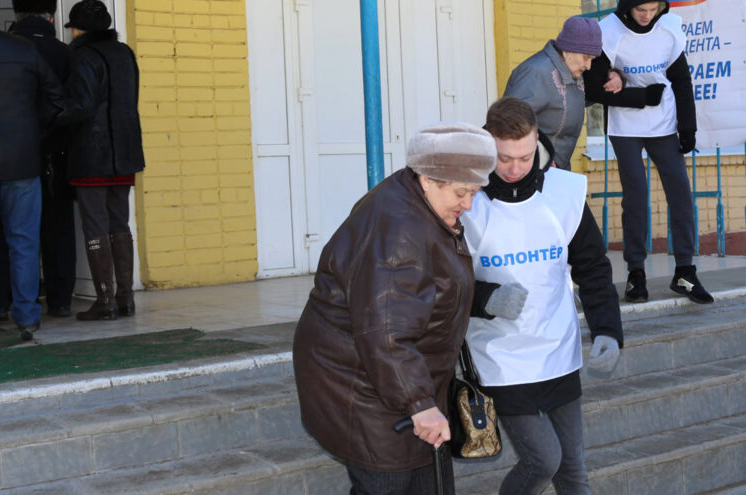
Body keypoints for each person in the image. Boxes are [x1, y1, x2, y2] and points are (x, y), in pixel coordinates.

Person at [293, 123, 497, 495]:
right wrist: (418, 404)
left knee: (425, 481)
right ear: (427, 179)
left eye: (475, 192)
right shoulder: (400, 231)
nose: (468, 204)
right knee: (389, 483)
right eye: (461, 192)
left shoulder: (420, 205)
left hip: (399, 381)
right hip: (366, 387)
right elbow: (386, 333)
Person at [461, 97, 624, 495]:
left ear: (538, 141)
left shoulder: (563, 193)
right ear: (487, 148)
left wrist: (607, 330)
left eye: (524, 156)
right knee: (543, 460)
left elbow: (592, 267)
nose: (515, 168)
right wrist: (484, 298)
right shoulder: (466, 200)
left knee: (573, 471)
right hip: (499, 356)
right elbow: (440, 280)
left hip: (557, 348)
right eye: (503, 159)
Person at [584, 0, 713, 304]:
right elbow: (592, 90)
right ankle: (636, 273)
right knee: (637, 197)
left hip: (665, 125)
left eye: (653, 9)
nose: (646, 15)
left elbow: (682, 81)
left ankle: (685, 271)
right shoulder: (609, 32)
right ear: (628, 7)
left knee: (680, 192)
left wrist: (688, 128)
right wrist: (640, 95)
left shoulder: (669, 30)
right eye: (641, 9)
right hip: (626, 127)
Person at [0, 0, 67, 340]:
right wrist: (31, 130)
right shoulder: (24, 49)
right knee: (24, 241)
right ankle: (27, 316)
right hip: (24, 160)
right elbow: (57, 100)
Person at [58, 0, 145, 321]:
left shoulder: (82, 56)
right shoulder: (125, 53)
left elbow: (81, 105)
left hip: (92, 154)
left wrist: (51, 117)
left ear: (79, 29)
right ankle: (125, 299)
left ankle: (104, 300)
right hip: (125, 152)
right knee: (119, 224)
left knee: (95, 225)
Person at [11, 0, 76, 318]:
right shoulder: (66, 53)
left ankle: (7, 300)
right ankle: (61, 299)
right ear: (50, 15)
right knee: (58, 226)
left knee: (11, 230)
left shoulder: (7, 49)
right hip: (56, 151)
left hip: (10, 154)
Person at [503, 16, 622, 171]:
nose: (588, 65)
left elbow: (573, 100)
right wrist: (540, 157)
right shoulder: (536, 72)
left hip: (555, 170)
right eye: (586, 57)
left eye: (592, 58)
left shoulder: (570, 70)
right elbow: (509, 123)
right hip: (529, 172)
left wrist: (615, 75)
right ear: (567, 49)